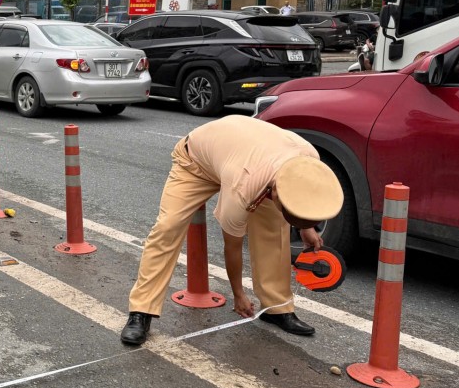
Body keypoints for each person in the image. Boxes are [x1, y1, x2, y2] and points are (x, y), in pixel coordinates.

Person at [120, 115, 343, 347]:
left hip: (242, 157)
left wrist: (306, 227)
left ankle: (276, 308)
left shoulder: (307, 160)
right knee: (167, 228)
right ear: (276, 191)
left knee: (274, 231)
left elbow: (304, 194)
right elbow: (232, 247)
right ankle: (141, 311)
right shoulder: (243, 187)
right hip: (196, 161)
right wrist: (238, 295)